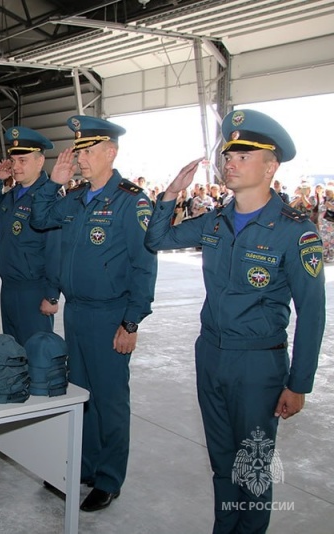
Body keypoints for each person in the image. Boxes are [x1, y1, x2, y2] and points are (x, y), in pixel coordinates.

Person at [145, 109, 326, 533]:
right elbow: (156, 239)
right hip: (210, 355)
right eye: (229, 154)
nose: (231, 162)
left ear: (271, 165)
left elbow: (312, 313)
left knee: (253, 469)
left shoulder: (293, 232)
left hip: (257, 365)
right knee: (222, 463)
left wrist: (299, 383)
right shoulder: (215, 221)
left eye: (244, 155)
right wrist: (172, 192)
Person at [30, 116, 157, 512]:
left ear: (110, 152)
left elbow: (144, 265)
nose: (80, 158)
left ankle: (109, 478)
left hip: (110, 314)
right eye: (78, 151)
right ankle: (83, 467)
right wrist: (54, 182)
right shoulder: (75, 197)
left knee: (110, 399)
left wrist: (131, 321)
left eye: (87, 151)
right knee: (80, 394)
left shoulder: (131, 201)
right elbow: (39, 218)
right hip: (77, 312)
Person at [0, 125, 60, 346]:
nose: (15, 167)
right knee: (13, 352)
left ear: (39, 162)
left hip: (34, 291)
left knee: (36, 352)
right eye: (13, 160)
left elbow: (54, 251)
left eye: (23, 161)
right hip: (8, 286)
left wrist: (52, 294)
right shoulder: (13, 194)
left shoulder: (48, 198)